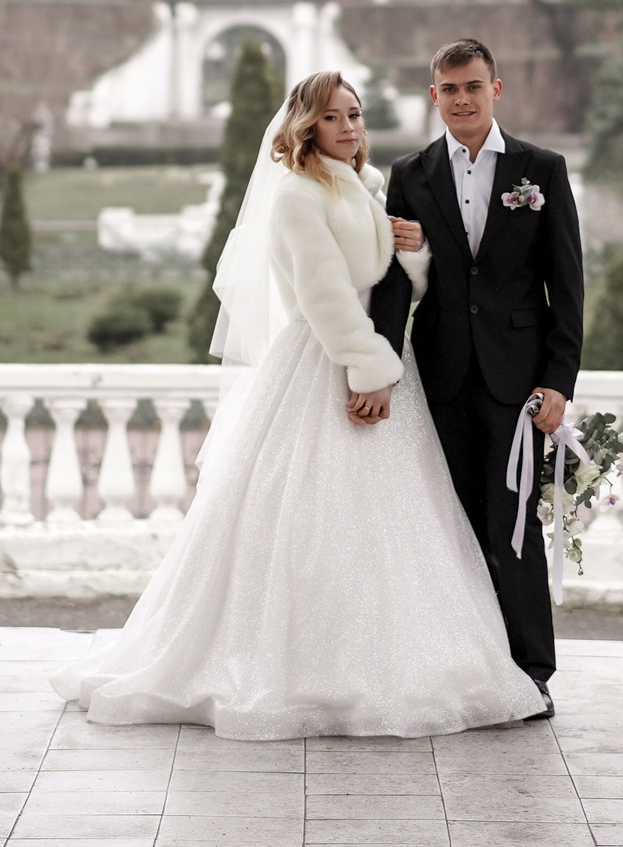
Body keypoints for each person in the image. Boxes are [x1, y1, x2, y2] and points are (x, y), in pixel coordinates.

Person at [51, 70, 542, 739]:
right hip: (331, 361)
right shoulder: (296, 196)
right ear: (306, 126)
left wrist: (417, 253)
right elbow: (324, 296)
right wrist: (368, 369)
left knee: (390, 526)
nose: (351, 128)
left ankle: (388, 660)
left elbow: (389, 280)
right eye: (336, 118)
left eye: (357, 116)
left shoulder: (360, 186)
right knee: (308, 519)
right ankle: (300, 670)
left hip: (378, 357)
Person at [368, 38, 584, 720]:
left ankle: (531, 671)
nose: (462, 99)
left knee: (512, 527)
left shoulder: (540, 170)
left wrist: (558, 381)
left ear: (497, 89)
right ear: (433, 96)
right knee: (448, 528)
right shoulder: (411, 172)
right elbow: (398, 283)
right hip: (440, 376)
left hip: (518, 383)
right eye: (449, 89)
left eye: (473, 86)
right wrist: (379, 364)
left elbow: (567, 285)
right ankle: (468, 664)